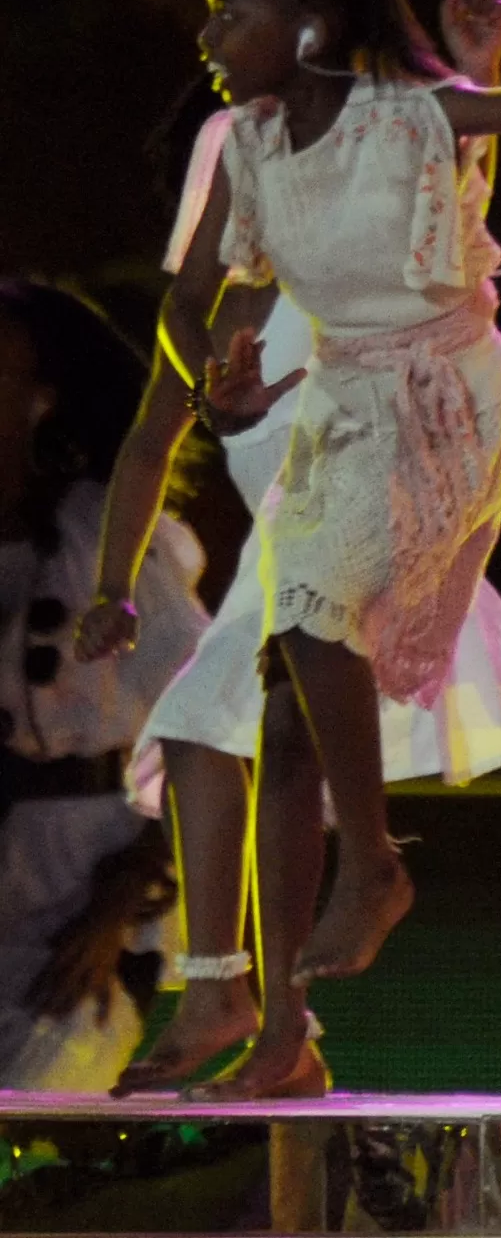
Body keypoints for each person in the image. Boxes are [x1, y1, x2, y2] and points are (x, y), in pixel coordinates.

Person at [81, 0, 501, 1102]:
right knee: (286, 715)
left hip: (450, 395)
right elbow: (189, 299)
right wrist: (218, 364)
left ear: (307, 28)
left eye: (231, 9)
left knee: (303, 624)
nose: (205, 29)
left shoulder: (407, 114)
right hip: (348, 403)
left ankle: (376, 868)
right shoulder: (246, 146)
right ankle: (284, 1035)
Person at [0, 281, 208, 1092]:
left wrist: (120, 901)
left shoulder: (104, 539)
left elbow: (215, 737)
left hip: (83, 926)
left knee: (31, 1101)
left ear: (40, 402)